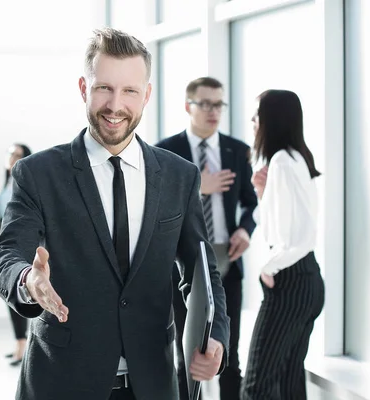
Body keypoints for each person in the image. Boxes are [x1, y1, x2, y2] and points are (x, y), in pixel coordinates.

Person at [0, 28, 230, 400]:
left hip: (153, 383)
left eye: (129, 91)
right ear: (84, 88)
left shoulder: (180, 176)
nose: (116, 105)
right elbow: (6, 254)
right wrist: (27, 280)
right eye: (104, 88)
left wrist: (215, 335)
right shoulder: (38, 174)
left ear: (146, 95)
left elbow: (201, 269)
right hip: (63, 382)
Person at [156, 77, 257, 400]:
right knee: (186, 355)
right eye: (206, 104)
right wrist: (200, 187)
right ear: (189, 106)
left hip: (227, 258)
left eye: (219, 104)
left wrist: (245, 229)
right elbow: (157, 203)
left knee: (228, 352)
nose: (214, 111)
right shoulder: (166, 151)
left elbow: (252, 202)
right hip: (182, 266)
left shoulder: (238, 151)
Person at [242, 90, 325, 399]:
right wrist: (263, 194)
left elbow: (297, 237)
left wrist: (269, 267)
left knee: (256, 386)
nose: (252, 122)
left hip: (290, 280)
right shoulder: (297, 158)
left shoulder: (281, 161)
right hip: (308, 281)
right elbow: (281, 226)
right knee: (289, 386)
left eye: (257, 115)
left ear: (271, 120)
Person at [0, 143, 32, 366]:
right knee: (10, 294)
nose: (12, 158)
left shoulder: (24, 181)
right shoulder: (6, 182)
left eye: (17, 155)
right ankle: (19, 344)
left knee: (21, 291)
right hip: (3, 241)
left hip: (19, 244)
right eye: (10, 154)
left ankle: (23, 346)